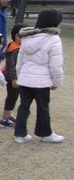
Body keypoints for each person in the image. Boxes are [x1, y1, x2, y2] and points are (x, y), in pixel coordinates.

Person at [13, 9, 64, 143]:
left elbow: (20, 61)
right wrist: (56, 82)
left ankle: (20, 134)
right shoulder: (54, 39)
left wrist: (20, 77)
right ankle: (45, 133)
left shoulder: (27, 37)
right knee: (43, 107)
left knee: (23, 106)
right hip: (42, 82)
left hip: (25, 80)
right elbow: (55, 65)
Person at [0, 23, 27, 127]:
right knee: (12, 97)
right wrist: (14, 79)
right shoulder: (15, 49)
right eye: (22, 36)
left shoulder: (17, 47)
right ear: (16, 36)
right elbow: (11, 65)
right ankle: (5, 119)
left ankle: (8, 115)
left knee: (13, 97)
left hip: (15, 77)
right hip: (12, 78)